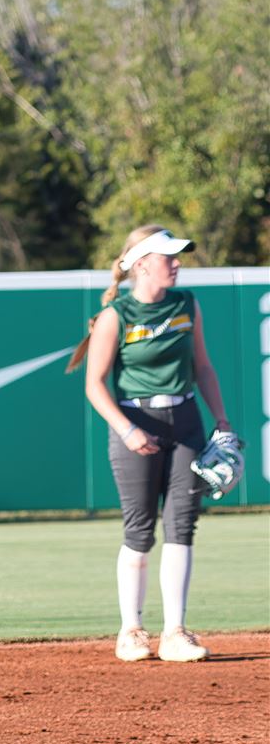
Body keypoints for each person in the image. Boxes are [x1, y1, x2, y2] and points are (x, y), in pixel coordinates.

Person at [67, 225, 237, 662]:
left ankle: (176, 633)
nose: (177, 263)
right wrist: (126, 429)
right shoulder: (116, 315)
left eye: (178, 256)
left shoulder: (186, 304)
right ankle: (132, 631)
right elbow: (94, 384)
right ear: (141, 263)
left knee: (182, 525)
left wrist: (220, 421)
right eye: (168, 257)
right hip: (136, 422)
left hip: (185, 422)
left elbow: (203, 367)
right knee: (140, 530)